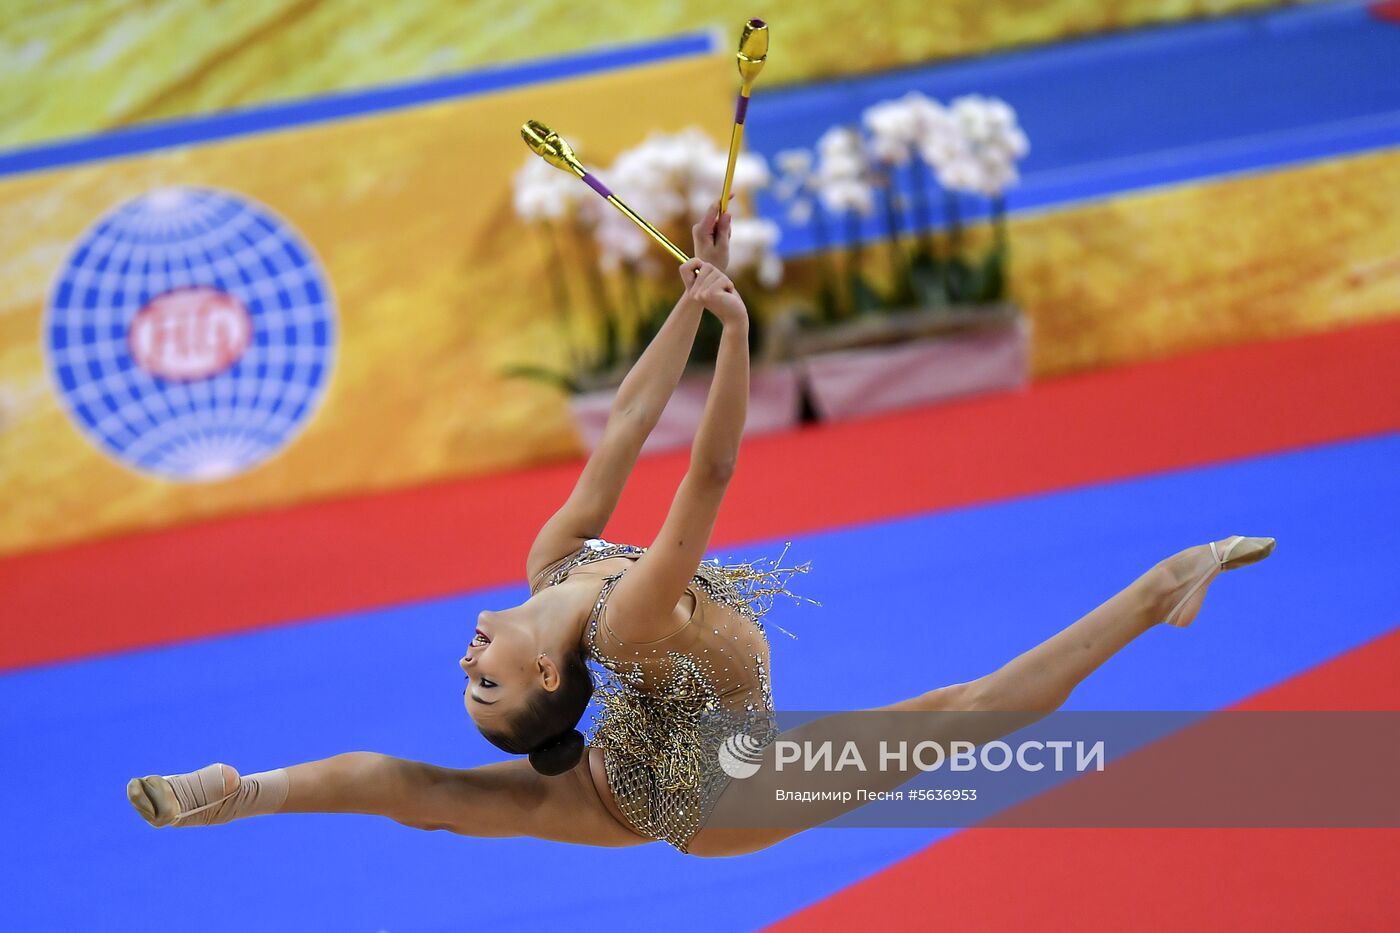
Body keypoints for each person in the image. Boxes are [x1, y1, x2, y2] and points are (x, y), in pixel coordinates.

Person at [127, 205, 1275, 857]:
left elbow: (630, 419)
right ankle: (1158, 586)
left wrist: (685, 300)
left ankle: (241, 788)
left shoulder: (555, 564)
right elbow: (710, 471)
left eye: (469, 680)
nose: (465, 664)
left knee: (407, 786)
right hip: (705, 801)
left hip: (615, 770)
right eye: (486, 686)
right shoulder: (621, 624)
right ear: (542, 671)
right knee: (962, 719)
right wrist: (737, 336)